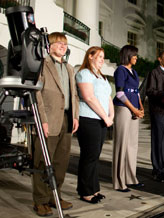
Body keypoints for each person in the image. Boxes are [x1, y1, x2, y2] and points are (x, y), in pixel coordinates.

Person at [32, 32, 79, 216]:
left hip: (66, 120)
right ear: (49, 46)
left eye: (65, 43)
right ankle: (40, 201)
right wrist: (42, 120)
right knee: (43, 161)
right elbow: (37, 94)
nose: (62, 46)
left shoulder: (69, 68)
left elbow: (74, 94)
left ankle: (54, 196)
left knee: (61, 162)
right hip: (48, 120)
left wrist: (75, 116)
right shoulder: (42, 65)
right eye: (58, 42)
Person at [75, 46, 114, 203]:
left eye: (103, 57)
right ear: (90, 56)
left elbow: (108, 98)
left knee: (95, 156)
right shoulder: (84, 74)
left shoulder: (102, 77)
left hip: (101, 120)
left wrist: (111, 115)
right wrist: (105, 116)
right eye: (99, 56)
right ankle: (85, 191)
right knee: (88, 156)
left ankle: (94, 189)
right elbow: (89, 97)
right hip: (88, 119)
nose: (102, 60)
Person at [112, 45, 144, 192]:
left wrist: (141, 108)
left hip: (134, 109)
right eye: (134, 55)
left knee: (132, 145)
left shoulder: (134, 72)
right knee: (121, 145)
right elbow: (119, 93)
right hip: (123, 109)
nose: (136, 57)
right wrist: (134, 109)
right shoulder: (120, 70)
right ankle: (119, 182)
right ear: (128, 55)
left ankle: (131, 178)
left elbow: (136, 93)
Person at [146, 51, 164, 183]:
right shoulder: (154, 73)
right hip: (158, 111)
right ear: (159, 59)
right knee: (158, 141)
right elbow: (150, 91)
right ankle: (157, 170)